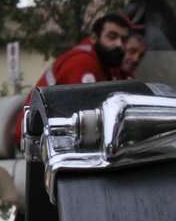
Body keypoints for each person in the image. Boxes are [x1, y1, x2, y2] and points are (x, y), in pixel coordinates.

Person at [14, 12, 130, 144]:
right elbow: (89, 117)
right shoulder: (82, 63)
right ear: (93, 37)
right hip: (35, 140)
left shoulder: (106, 64)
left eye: (124, 40)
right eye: (112, 37)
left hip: (54, 135)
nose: (119, 44)